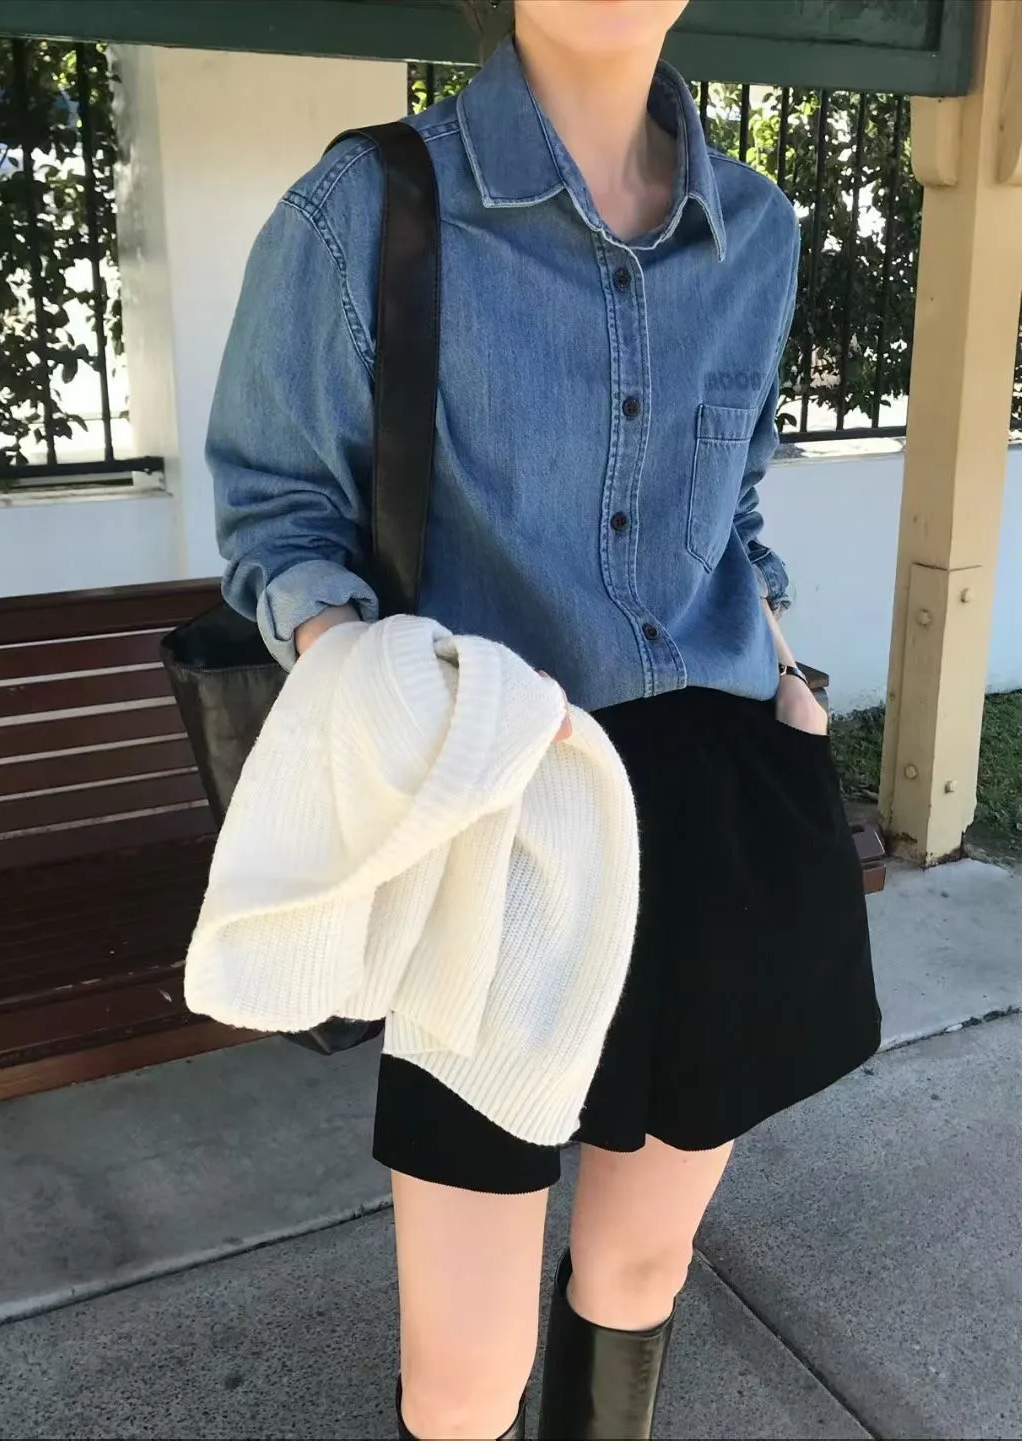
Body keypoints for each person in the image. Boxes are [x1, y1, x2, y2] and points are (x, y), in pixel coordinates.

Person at [207, 0, 882, 1436]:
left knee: (641, 1269)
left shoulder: (756, 228)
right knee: (467, 1368)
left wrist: (787, 679)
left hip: (721, 796)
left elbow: (733, 507)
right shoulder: (368, 206)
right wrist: (376, 684)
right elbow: (280, 517)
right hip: (500, 809)